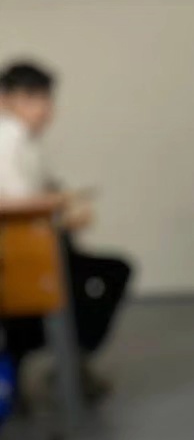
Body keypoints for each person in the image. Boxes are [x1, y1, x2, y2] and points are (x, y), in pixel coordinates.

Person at [0, 60, 133, 397]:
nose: (44, 108)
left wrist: (61, 206)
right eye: (33, 98)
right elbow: (19, 204)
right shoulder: (8, 137)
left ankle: (70, 357)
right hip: (21, 256)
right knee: (98, 279)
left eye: (46, 98)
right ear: (7, 99)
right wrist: (59, 210)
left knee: (106, 273)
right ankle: (69, 358)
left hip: (36, 246)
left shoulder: (25, 140)